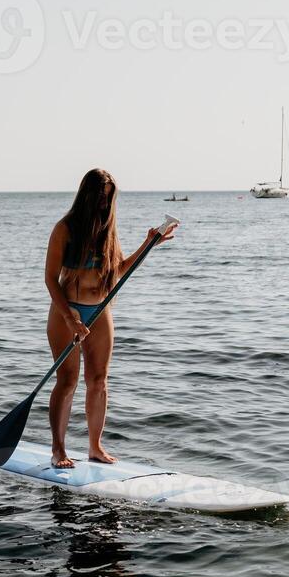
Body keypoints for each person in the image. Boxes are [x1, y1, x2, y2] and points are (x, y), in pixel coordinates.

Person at [43, 169, 177, 469]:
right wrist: (68, 317)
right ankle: (58, 450)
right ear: (87, 197)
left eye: (108, 199)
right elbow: (50, 279)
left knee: (99, 381)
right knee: (67, 381)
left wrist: (148, 245)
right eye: (99, 199)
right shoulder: (65, 228)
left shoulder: (108, 230)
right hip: (68, 310)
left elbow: (118, 271)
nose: (104, 205)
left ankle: (94, 447)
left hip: (100, 310)